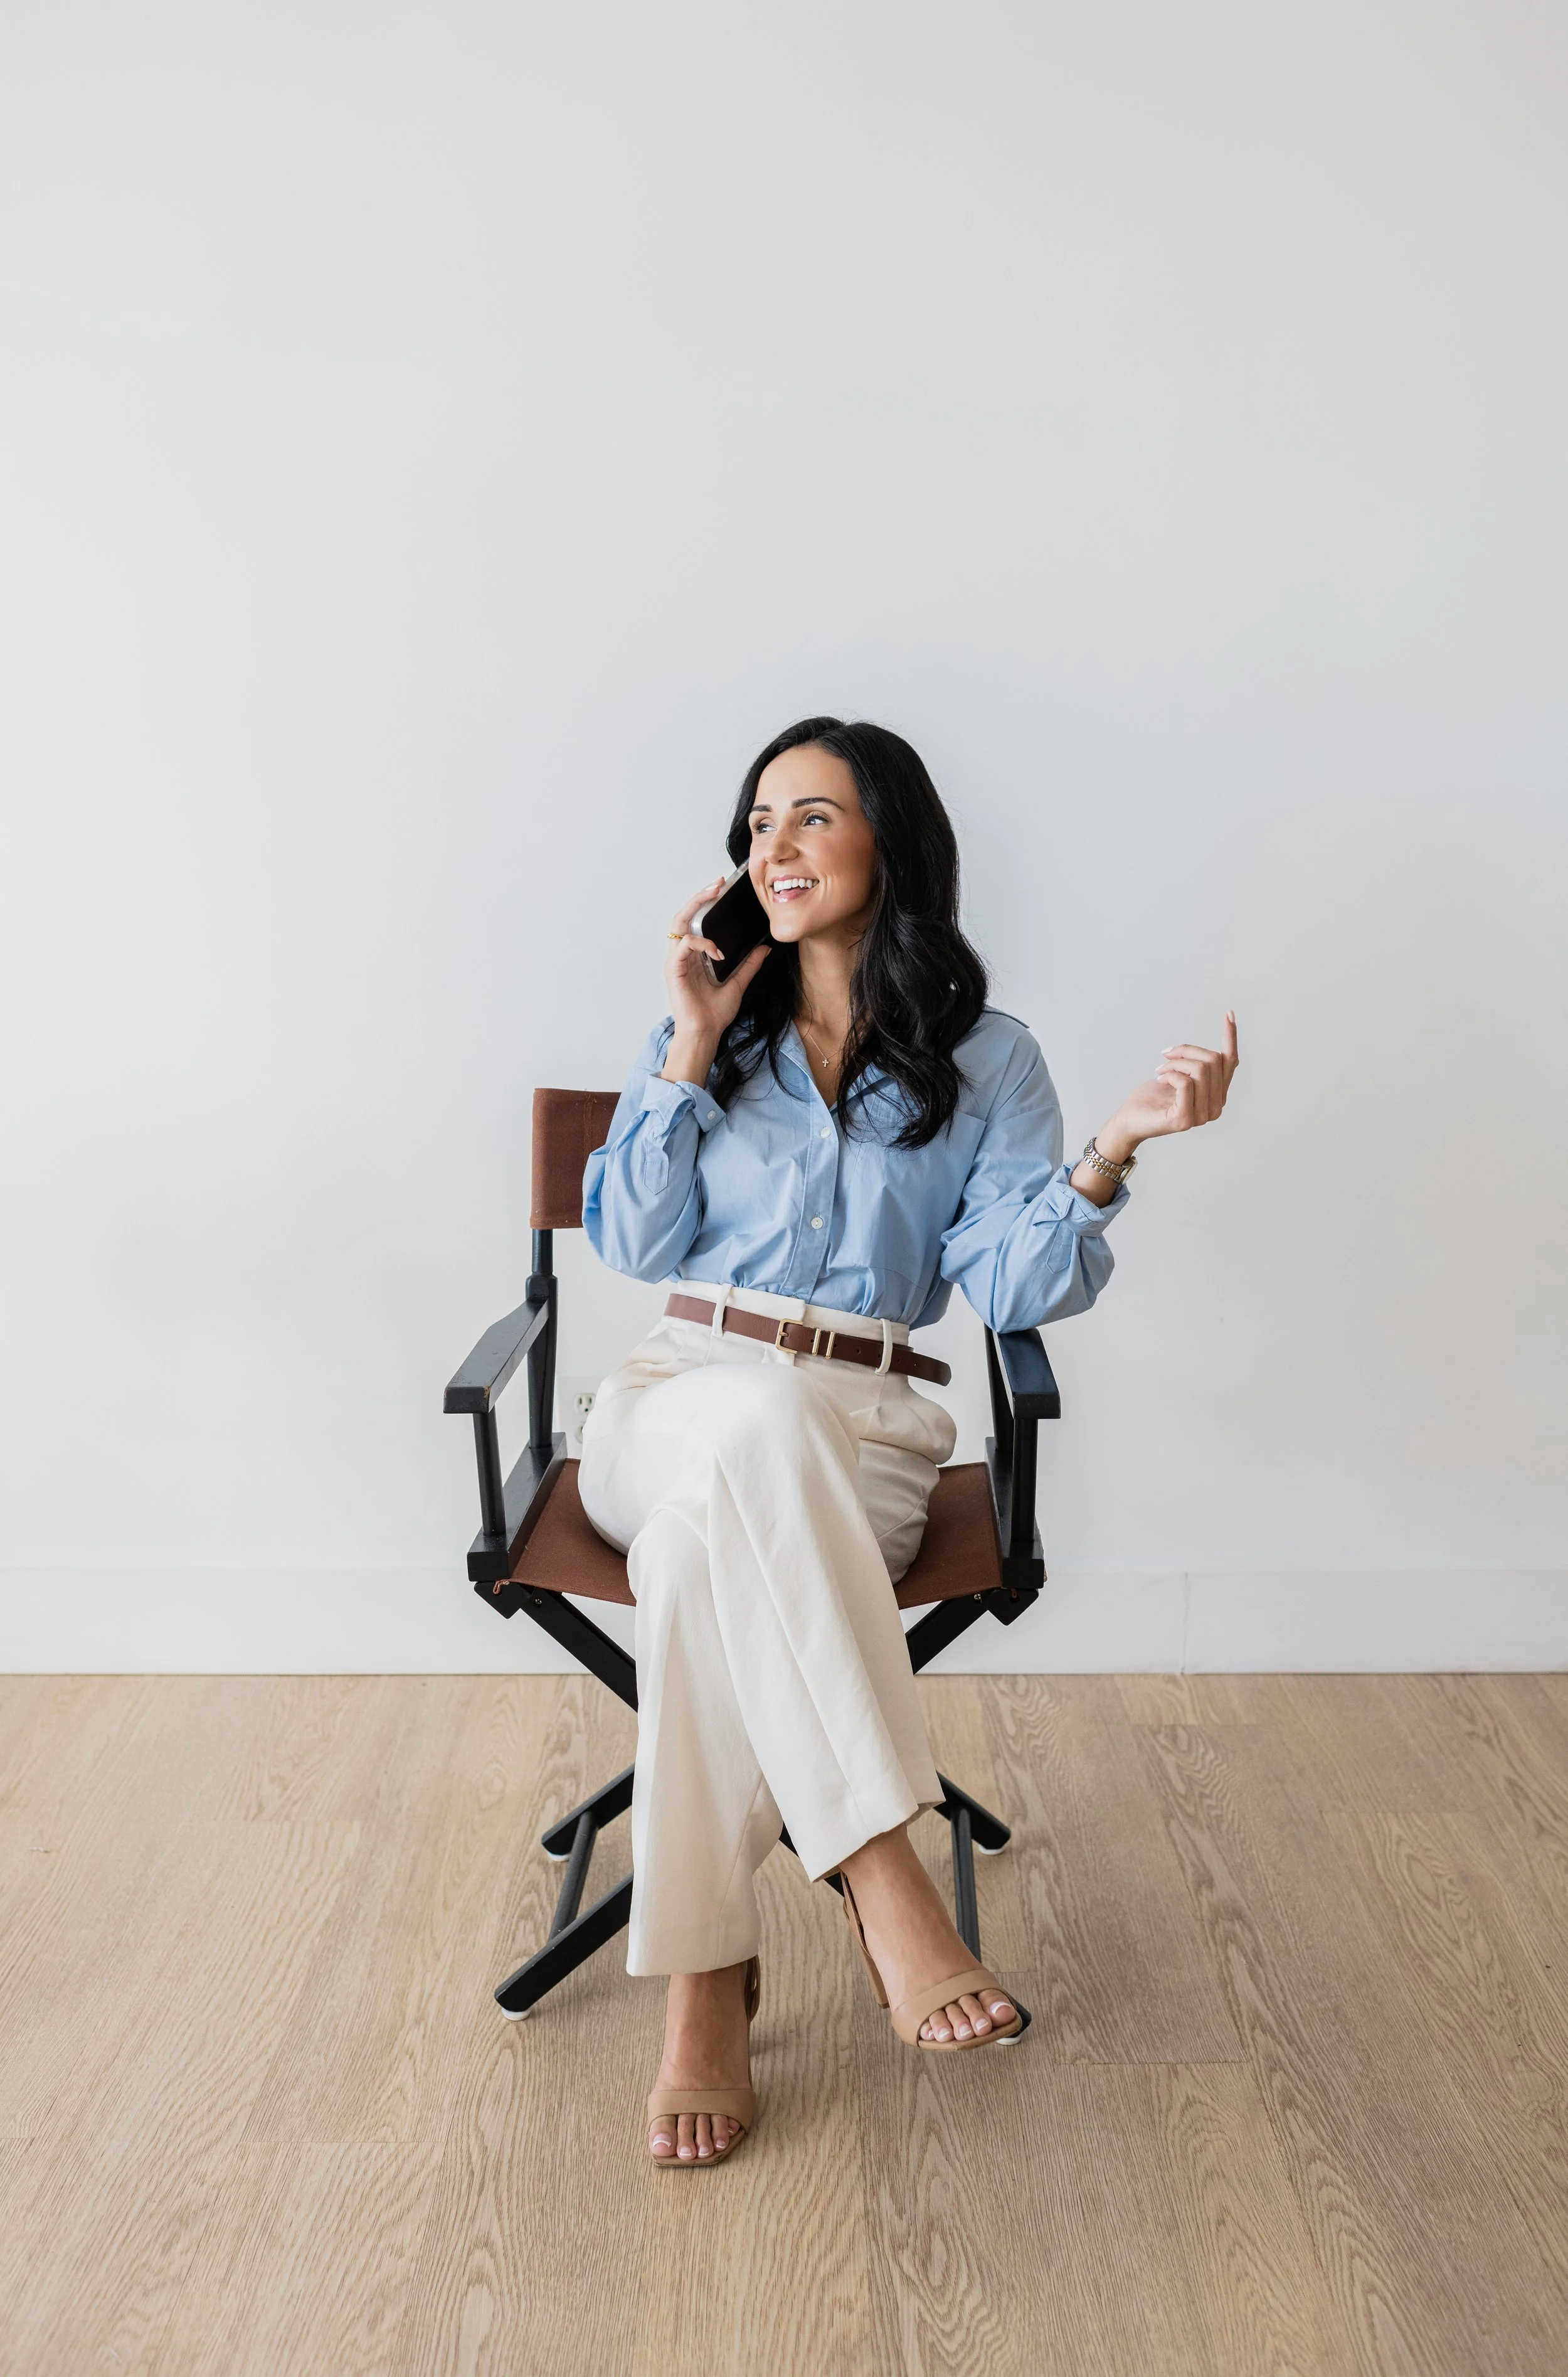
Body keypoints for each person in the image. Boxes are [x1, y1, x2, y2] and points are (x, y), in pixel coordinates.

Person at [579, 717, 1238, 2167]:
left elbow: (1011, 1285)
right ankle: (883, 1867)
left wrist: (1108, 1153)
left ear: (891, 838)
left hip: (860, 1431)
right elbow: (630, 1238)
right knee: (734, 1425)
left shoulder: (988, 1060)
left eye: (813, 816)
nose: (775, 844)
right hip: (676, 1388)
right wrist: (688, 1044)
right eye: (760, 821)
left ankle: (702, 1980)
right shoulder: (706, 1026)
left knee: (701, 1553)